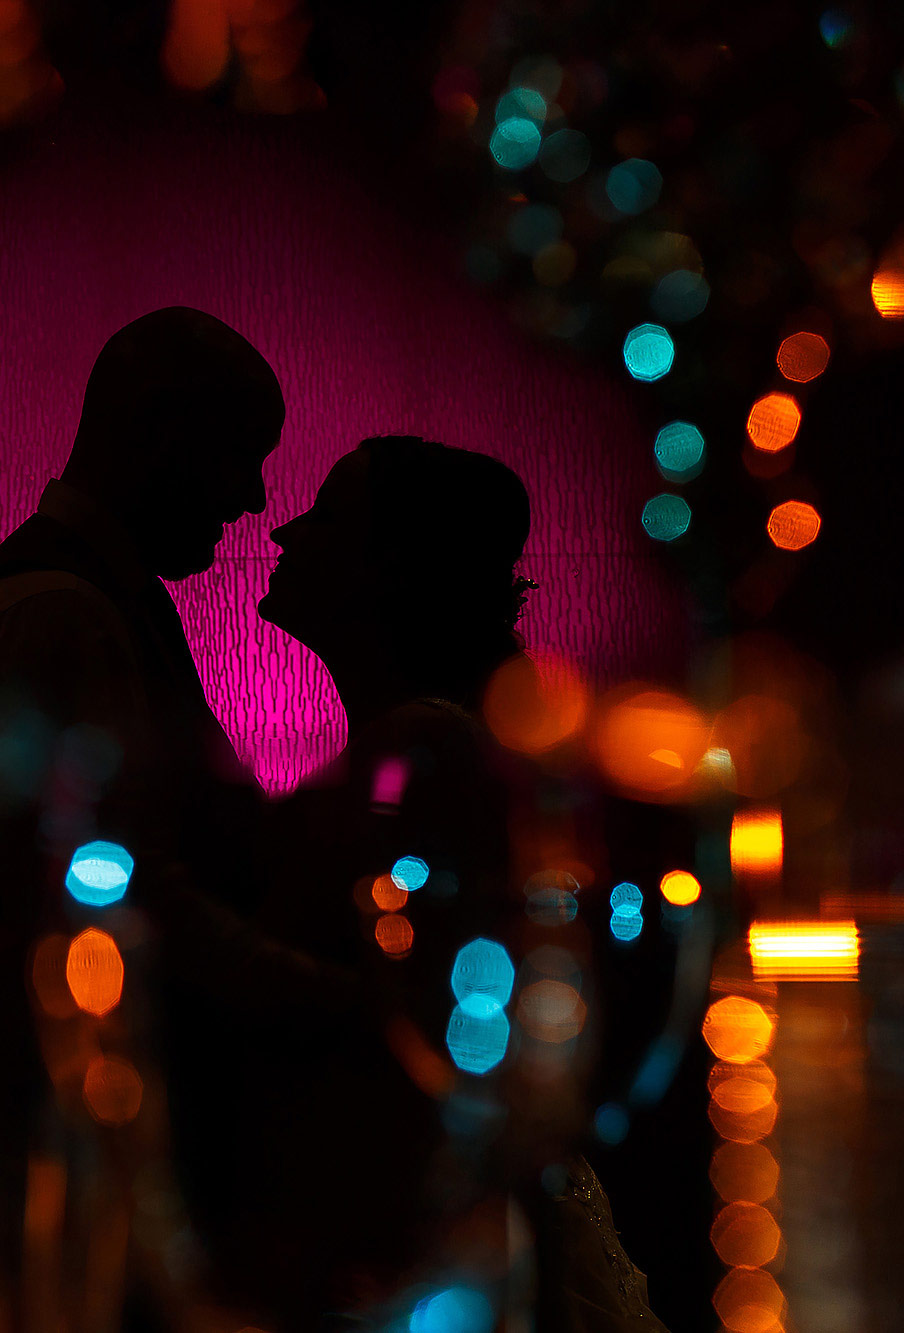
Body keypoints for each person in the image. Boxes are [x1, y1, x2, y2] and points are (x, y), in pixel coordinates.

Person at [0, 308, 352, 1332]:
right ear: (157, 429)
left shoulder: (75, 600)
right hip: (85, 1150)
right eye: (240, 458)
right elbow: (112, 902)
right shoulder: (59, 612)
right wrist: (332, 1003)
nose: (252, 499)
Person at [250, 436, 670, 1332]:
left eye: (325, 516)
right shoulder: (433, 745)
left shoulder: (421, 757)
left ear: (390, 569)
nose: (283, 532)